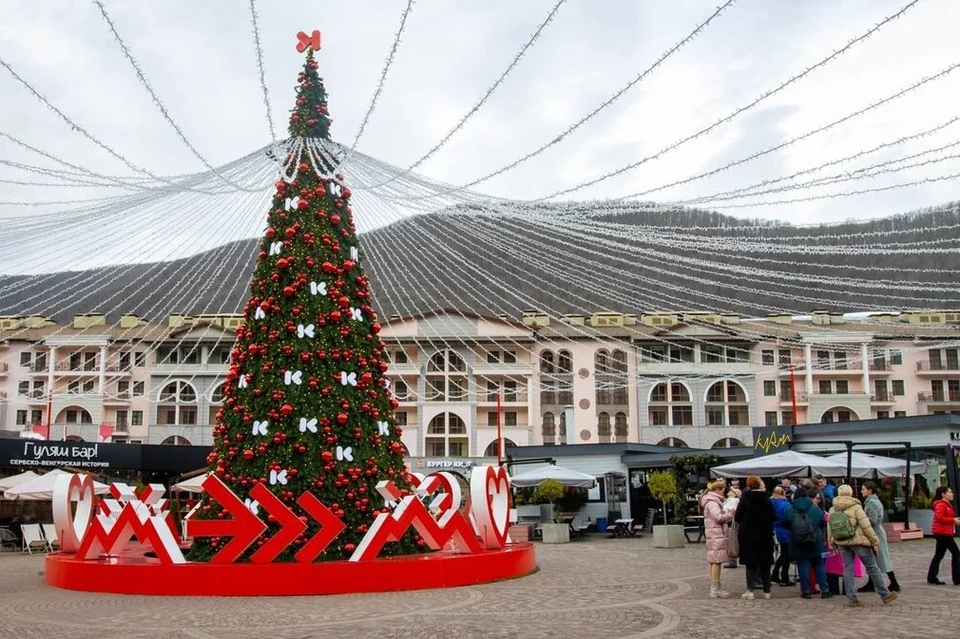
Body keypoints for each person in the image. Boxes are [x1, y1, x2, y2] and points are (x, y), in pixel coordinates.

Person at [827, 484, 897, 607]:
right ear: (850, 493)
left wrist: (831, 542)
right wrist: (874, 541)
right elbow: (866, 526)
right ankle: (884, 594)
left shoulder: (833, 509)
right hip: (858, 541)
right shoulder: (856, 507)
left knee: (847, 568)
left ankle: (851, 598)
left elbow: (830, 528)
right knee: (872, 567)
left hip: (842, 541)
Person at [783, 487, 832, 599]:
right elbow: (822, 522)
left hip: (798, 541)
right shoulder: (815, 508)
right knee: (819, 565)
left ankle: (806, 591)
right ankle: (825, 590)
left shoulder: (790, 509)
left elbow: (785, 523)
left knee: (803, 565)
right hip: (815, 540)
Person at [734, 475, 775, 599]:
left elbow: (737, 517)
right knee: (765, 564)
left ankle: (750, 590)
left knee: (750, 564)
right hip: (764, 534)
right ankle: (767, 591)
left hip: (748, 535)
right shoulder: (767, 500)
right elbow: (772, 516)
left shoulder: (745, 499)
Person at [859, 480, 899, 592]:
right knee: (875, 558)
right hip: (875, 531)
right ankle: (872, 583)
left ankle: (893, 582)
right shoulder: (871, 501)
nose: (862, 491)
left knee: (880, 557)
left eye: (863, 489)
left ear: (870, 490)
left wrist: (861, 522)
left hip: (875, 532)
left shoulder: (872, 503)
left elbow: (873, 519)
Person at [701, 479, 736, 598]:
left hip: (713, 534)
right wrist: (729, 515)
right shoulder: (712, 502)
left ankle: (715, 586)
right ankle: (715, 588)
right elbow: (718, 518)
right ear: (717, 490)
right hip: (716, 534)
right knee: (716, 561)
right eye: (722, 490)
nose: (724, 492)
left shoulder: (710, 501)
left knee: (714, 561)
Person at [926, 485, 960, 585]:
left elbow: (945, 517)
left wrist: (954, 520)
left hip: (944, 532)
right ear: (943, 494)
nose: (952, 494)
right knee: (956, 553)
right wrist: (953, 520)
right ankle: (957, 578)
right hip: (942, 533)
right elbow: (939, 518)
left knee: (939, 555)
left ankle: (931, 577)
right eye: (949, 492)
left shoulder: (946, 504)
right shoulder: (941, 505)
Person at [770, 486, 794, 586]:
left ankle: (775, 574)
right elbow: (789, 518)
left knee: (783, 553)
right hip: (785, 530)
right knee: (786, 554)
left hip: (775, 529)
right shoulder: (786, 504)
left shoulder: (769, 502)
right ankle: (784, 576)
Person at [722, 485, 741, 570]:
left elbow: (729, 510)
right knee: (730, 541)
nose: (728, 491)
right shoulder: (729, 500)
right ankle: (732, 560)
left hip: (730, 523)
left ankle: (732, 560)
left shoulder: (733, 500)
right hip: (728, 522)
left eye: (730, 490)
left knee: (732, 541)